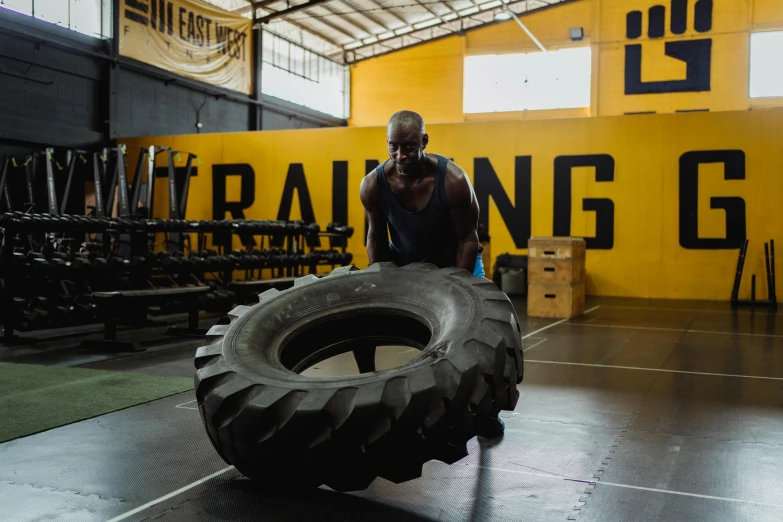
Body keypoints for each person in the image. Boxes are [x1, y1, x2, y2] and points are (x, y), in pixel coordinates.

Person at [358, 109, 505, 439]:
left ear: (424, 141)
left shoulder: (452, 181)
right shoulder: (373, 185)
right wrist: (382, 279)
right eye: (393, 146)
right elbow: (376, 236)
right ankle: (366, 393)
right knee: (368, 315)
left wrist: (457, 288)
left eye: (409, 146)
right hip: (404, 259)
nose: (401, 155)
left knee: (486, 333)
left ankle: (487, 411)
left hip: (454, 258)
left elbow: (469, 239)